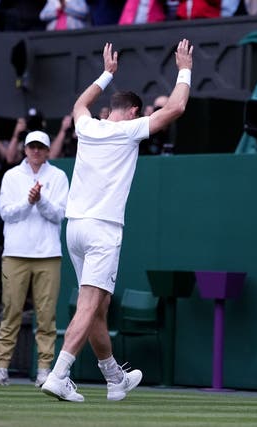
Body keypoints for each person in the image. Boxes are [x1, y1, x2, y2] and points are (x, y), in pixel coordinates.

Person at [41, 39, 193, 402]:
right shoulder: (128, 131)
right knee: (91, 302)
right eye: (139, 114)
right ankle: (59, 374)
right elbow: (177, 106)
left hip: (74, 229)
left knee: (99, 306)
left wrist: (106, 74)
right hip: (102, 230)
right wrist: (184, 67)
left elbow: (79, 104)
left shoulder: (88, 127)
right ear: (134, 112)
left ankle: (114, 378)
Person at [0, 130, 69, 387]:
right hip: (15, 254)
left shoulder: (58, 176)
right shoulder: (12, 176)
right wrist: (29, 201)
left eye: (41, 147)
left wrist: (40, 200)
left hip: (48, 254)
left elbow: (59, 214)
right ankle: (1, 370)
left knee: (46, 316)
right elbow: (6, 213)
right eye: (32, 147)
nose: (36, 151)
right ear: (25, 149)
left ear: (47, 151)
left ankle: (44, 370)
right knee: (10, 311)